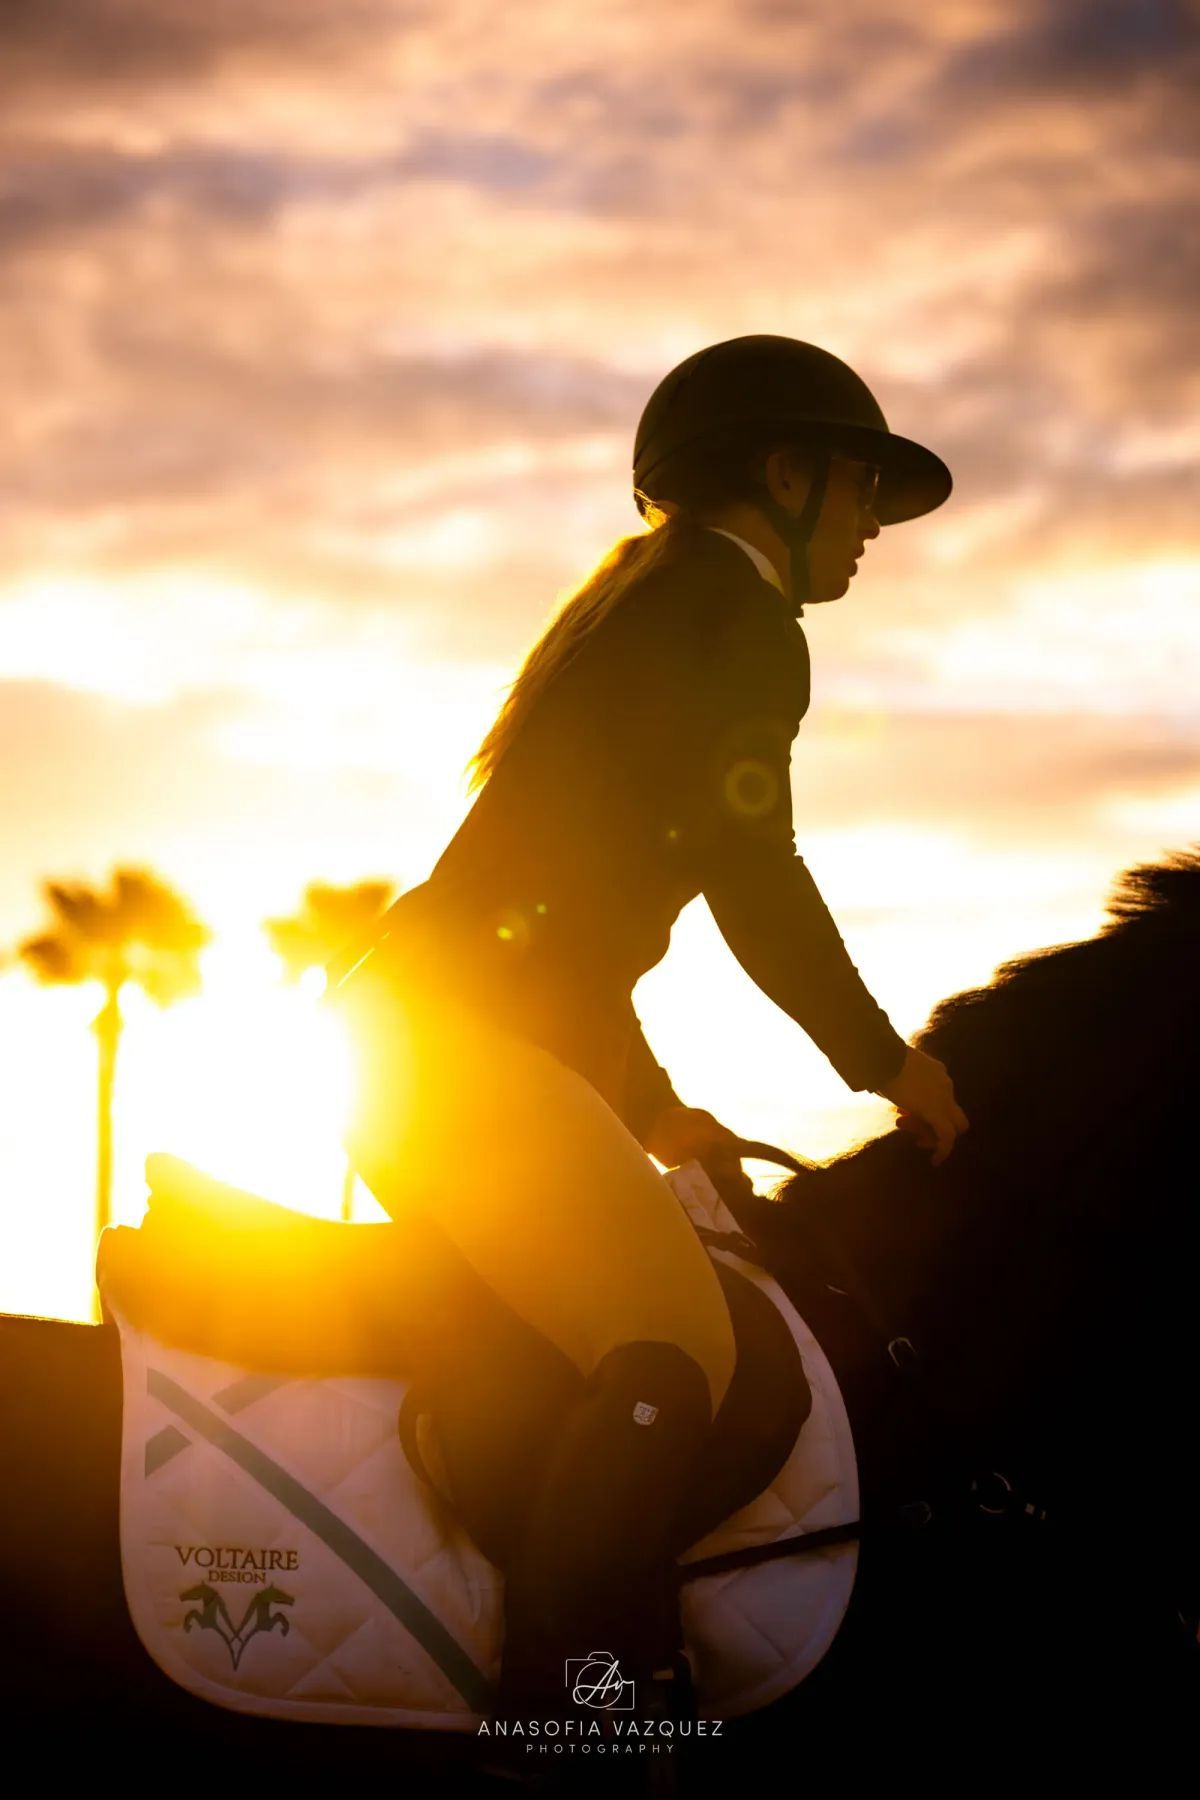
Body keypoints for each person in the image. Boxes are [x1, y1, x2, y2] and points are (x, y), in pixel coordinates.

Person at [331, 334, 968, 1723]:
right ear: (785, 476)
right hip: (452, 1048)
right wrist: (886, 1061)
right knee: (683, 1359)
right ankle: (575, 1720)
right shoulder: (742, 623)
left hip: (441, 1041)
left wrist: (649, 1103)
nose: (871, 530)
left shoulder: (661, 605)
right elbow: (757, 872)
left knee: (709, 1353)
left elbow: (570, 926)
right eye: (860, 491)